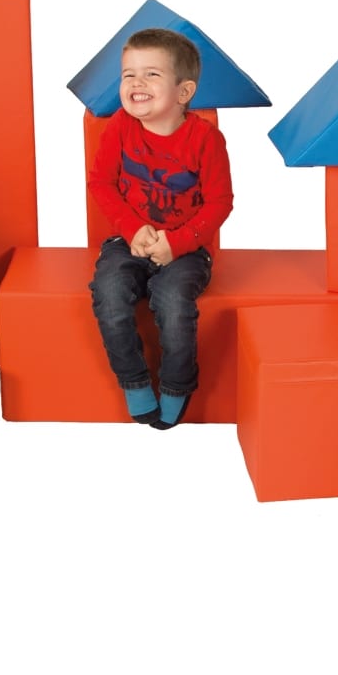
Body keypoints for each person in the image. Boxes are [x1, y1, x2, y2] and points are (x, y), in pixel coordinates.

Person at [87, 27, 234, 430]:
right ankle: (133, 381)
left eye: (151, 74)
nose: (136, 82)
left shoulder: (205, 139)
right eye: (128, 74)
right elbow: (101, 183)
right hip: (128, 241)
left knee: (173, 303)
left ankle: (176, 384)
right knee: (109, 294)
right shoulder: (120, 126)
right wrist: (133, 229)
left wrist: (178, 242)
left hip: (186, 249)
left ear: (183, 91)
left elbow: (220, 203)